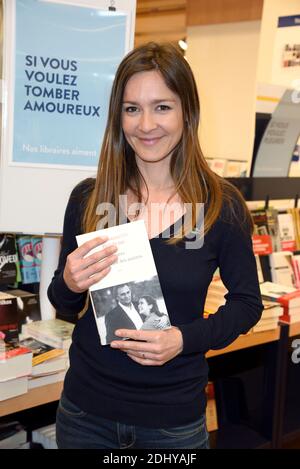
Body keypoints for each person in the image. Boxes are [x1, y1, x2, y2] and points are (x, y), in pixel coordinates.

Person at [48, 42, 263, 449]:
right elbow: (63, 304)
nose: (145, 124)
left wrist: (184, 339)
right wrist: (71, 283)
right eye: (132, 109)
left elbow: (247, 304)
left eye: (162, 107)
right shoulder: (90, 199)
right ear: (119, 117)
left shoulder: (220, 205)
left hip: (171, 424)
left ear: (187, 112)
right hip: (84, 416)